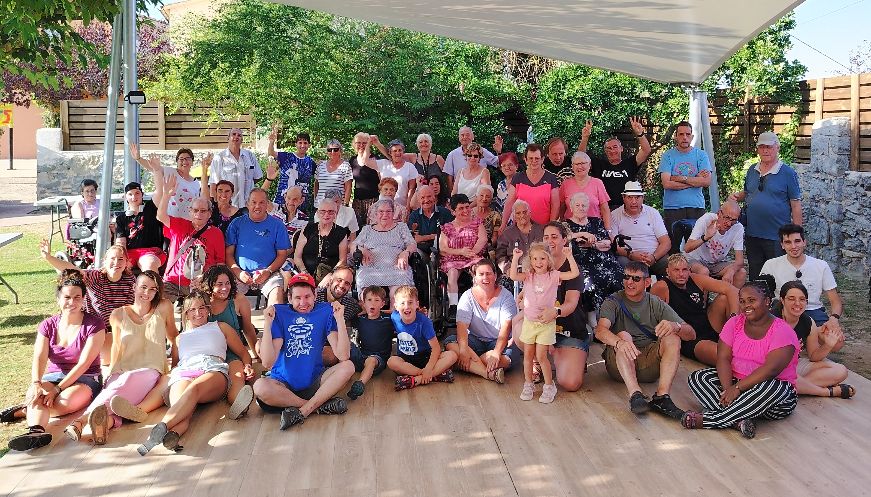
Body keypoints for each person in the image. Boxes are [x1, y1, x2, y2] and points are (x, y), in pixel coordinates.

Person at [62, 270, 176, 446]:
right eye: (143, 287)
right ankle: (106, 424)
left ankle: (81, 421)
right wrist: (111, 373)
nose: (147, 293)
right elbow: (116, 346)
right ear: (134, 287)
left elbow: (174, 338)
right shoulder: (117, 314)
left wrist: (175, 367)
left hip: (150, 370)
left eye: (152, 289)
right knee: (117, 388)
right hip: (122, 369)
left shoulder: (164, 307)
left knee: (125, 382)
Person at [137, 290, 253, 455]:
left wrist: (247, 365)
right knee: (182, 406)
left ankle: (160, 428)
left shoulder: (220, 327)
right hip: (185, 371)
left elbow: (243, 353)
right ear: (186, 313)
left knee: (193, 390)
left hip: (212, 369)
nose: (198, 313)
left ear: (208, 309)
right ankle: (173, 435)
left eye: (202, 308)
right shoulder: (179, 338)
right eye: (192, 310)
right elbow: (176, 365)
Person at [682, 281, 800, 439]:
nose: (746, 306)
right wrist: (727, 390)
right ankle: (739, 420)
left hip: (773, 397)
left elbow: (771, 370)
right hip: (737, 383)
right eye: (742, 301)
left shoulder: (782, 331)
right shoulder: (734, 323)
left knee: (774, 386)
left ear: (767, 301)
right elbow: (723, 358)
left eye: (752, 300)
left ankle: (711, 420)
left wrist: (737, 389)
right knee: (698, 377)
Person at [4, 271, 105, 451]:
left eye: (77, 297)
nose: (72, 302)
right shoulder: (47, 325)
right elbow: (39, 356)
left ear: (83, 299)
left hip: (86, 377)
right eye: (67, 297)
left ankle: (24, 409)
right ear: (58, 299)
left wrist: (58, 389)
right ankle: (36, 432)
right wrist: (36, 383)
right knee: (36, 394)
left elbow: (84, 364)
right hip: (54, 375)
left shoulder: (95, 325)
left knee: (61, 403)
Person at [254, 273, 354, 430]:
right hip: (283, 386)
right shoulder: (280, 314)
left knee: (348, 366)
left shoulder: (325, 312)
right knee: (259, 386)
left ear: (315, 295)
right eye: (297, 298)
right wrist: (267, 325)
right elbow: (267, 362)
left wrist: (340, 320)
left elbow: (343, 355)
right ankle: (318, 406)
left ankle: (303, 411)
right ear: (289, 298)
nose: (303, 303)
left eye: (307, 297)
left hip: (315, 381)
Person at [595, 261, 693, 418]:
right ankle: (635, 394)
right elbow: (600, 331)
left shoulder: (655, 302)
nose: (629, 282)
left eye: (635, 279)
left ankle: (662, 397)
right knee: (623, 335)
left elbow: (691, 334)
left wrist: (676, 326)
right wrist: (620, 342)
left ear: (647, 282)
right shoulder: (613, 301)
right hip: (620, 363)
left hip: (648, 362)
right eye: (626, 277)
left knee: (673, 338)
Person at [39, 240, 135, 366]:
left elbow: (131, 308)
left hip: (118, 328)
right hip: (95, 328)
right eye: (112, 258)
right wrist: (49, 257)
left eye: (121, 259)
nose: (116, 263)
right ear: (105, 261)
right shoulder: (95, 276)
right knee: (107, 360)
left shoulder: (130, 279)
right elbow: (71, 269)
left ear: (126, 263)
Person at [511, 243, 580, 403]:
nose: (538, 262)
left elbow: (574, 273)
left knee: (542, 357)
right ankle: (528, 383)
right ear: (530, 260)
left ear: (548, 260)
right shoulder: (528, 276)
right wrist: (515, 258)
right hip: (530, 322)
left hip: (545, 324)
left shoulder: (554, 276)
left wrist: (569, 256)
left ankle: (549, 386)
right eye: (535, 258)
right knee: (528, 356)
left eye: (542, 258)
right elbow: (514, 276)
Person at [728, 131, 802, 280]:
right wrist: (737, 196)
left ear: (777, 148)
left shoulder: (788, 173)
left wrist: (797, 235)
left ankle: (778, 302)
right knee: (756, 275)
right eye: (762, 147)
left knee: (778, 275)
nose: (765, 150)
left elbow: (796, 205)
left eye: (769, 147)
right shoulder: (752, 170)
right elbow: (750, 192)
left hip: (776, 235)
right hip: (752, 233)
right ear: (757, 149)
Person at [650, 254, 739, 366]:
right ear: (668, 271)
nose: (681, 274)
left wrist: (734, 320)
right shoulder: (661, 287)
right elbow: (652, 317)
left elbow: (732, 290)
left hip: (708, 324)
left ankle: (738, 335)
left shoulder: (696, 279)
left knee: (724, 298)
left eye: (684, 270)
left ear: (689, 270)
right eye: (676, 270)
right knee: (726, 357)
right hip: (689, 337)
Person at [774, 281, 854, 399]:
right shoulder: (771, 320)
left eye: (802, 299)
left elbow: (814, 356)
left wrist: (828, 345)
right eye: (791, 299)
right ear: (782, 300)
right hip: (772, 368)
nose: (797, 303)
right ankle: (824, 391)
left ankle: (793, 389)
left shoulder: (808, 322)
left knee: (841, 370)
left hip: (794, 366)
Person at [444, 259, 516, 383]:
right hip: (475, 340)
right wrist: (463, 350)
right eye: (481, 274)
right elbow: (461, 326)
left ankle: (466, 365)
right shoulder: (467, 296)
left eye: (488, 273)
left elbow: (506, 329)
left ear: (495, 275)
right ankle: (486, 373)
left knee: (504, 360)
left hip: (499, 342)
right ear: (475, 277)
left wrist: (496, 353)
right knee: (450, 343)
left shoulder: (506, 296)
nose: (485, 278)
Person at [156, 173, 225, 302]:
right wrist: (166, 195)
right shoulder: (179, 224)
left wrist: (206, 278)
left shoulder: (216, 233)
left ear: (210, 214)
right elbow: (160, 216)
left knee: (200, 310)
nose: (199, 214)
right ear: (190, 211)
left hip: (203, 282)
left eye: (203, 211)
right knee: (158, 304)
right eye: (195, 210)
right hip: (173, 282)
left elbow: (220, 263)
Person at [760, 224, 843, 330]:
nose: (793, 246)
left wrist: (834, 319)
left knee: (835, 339)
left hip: (813, 311)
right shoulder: (770, 265)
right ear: (782, 245)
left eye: (797, 241)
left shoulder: (821, 265)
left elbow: (835, 300)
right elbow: (761, 296)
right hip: (782, 312)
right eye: (788, 242)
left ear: (804, 242)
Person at [203, 265, 260, 415]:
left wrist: (255, 357)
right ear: (209, 285)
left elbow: (248, 329)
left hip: (233, 351)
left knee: (238, 375)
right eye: (219, 284)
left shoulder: (239, 300)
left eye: (227, 283)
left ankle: (239, 404)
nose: (224, 288)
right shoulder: (202, 302)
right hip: (209, 353)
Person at [541, 222, 589, 392]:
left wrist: (555, 312)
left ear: (564, 241)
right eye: (546, 237)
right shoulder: (539, 264)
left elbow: (570, 304)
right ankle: (537, 361)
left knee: (570, 383)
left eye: (554, 237)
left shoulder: (572, 269)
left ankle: (565, 357)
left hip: (570, 331)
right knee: (518, 323)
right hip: (543, 331)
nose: (550, 241)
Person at [226, 188, 291, 308]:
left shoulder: (278, 225)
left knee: (276, 295)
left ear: (267, 204)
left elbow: (282, 254)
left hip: (269, 273)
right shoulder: (236, 224)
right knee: (229, 299)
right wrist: (238, 272)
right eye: (254, 202)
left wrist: (268, 271)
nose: (257, 206)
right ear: (247, 204)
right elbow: (228, 254)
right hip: (239, 274)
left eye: (262, 202)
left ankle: (271, 326)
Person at [564, 192, 623, 315]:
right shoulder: (566, 225)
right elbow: (563, 238)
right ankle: (593, 316)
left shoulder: (596, 221)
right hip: (580, 262)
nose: (581, 208)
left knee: (617, 275)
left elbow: (607, 243)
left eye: (584, 205)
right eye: (577, 205)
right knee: (590, 281)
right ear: (571, 207)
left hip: (604, 260)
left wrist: (593, 245)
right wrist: (581, 234)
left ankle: (615, 312)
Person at [389, 286, 458, 390]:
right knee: (391, 362)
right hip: (406, 360)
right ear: (396, 307)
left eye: (410, 302)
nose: (407, 306)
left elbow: (436, 348)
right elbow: (387, 312)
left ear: (417, 304)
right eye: (402, 303)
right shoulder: (394, 316)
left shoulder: (425, 322)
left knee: (452, 355)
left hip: (426, 357)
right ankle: (433, 375)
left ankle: (417, 380)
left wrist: (429, 368)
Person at [658, 121, 712, 252]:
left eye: (688, 134)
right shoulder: (668, 156)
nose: (684, 137)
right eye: (681, 134)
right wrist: (695, 179)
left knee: (697, 250)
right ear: (676, 136)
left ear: (692, 136)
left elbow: (706, 182)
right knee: (673, 250)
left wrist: (680, 178)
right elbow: (666, 183)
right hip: (672, 208)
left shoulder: (701, 155)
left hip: (696, 208)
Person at [580, 117, 652, 210]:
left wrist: (640, 134)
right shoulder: (599, 164)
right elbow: (581, 157)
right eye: (609, 148)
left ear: (621, 149)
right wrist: (585, 137)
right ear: (605, 151)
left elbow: (646, 150)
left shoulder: (630, 163)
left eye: (615, 147)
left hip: (626, 209)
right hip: (604, 209)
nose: (612, 150)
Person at [354, 199, 416, 298]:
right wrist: (362, 249)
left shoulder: (401, 227)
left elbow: (412, 244)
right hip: (372, 268)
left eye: (388, 211)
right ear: (376, 214)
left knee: (400, 282)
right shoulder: (367, 229)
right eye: (381, 211)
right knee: (364, 278)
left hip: (396, 267)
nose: (385, 214)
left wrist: (406, 252)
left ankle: (395, 311)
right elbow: (353, 245)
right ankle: (368, 310)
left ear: (393, 213)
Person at [610, 181, 671, 276]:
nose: (634, 201)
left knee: (670, 265)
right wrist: (631, 254)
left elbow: (666, 242)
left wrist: (653, 257)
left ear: (643, 198)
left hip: (654, 255)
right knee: (622, 264)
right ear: (623, 198)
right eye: (630, 197)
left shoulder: (653, 212)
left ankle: (664, 290)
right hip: (628, 257)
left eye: (637, 197)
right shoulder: (614, 215)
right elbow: (614, 245)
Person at [683, 200, 747, 287]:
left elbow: (740, 261)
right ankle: (702, 300)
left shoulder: (738, 228)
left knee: (741, 272)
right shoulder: (706, 219)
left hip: (716, 263)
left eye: (734, 220)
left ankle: (727, 299)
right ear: (719, 213)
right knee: (704, 271)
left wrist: (731, 271)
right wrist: (705, 237)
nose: (729, 223)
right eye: (727, 217)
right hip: (695, 259)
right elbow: (687, 248)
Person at [439, 194, 487, 310]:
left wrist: (471, 253)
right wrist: (461, 252)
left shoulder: (477, 223)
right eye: (461, 208)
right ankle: (453, 306)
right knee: (452, 274)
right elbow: (443, 248)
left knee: (479, 273)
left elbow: (483, 239)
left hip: (473, 257)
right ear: (453, 212)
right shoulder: (447, 227)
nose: (465, 211)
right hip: (453, 259)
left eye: (467, 207)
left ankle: (478, 303)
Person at [346, 286, 395, 400]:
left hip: (378, 359)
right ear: (363, 303)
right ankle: (341, 377)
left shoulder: (388, 319)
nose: (372, 303)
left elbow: (400, 313)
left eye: (376, 300)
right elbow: (347, 320)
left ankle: (360, 384)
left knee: (371, 360)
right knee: (346, 345)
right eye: (369, 300)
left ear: (382, 304)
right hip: (361, 355)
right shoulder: (360, 319)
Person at [500, 144, 560, 228]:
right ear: (525, 160)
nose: (534, 161)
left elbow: (555, 205)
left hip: (543, 229)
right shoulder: (517, 178)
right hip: (521, 228)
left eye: (537, 158)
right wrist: (503, 224)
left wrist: (550, 227)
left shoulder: (551, 178)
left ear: (542, 159)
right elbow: (509, 202)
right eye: (531, 158)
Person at [293, 196, 350, 283]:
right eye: (323, 211)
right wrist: (304, 272)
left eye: (331, 212)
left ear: (336, 213)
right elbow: (297, 256)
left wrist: (330, 276)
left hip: (329, 275)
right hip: (304, 272)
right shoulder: (308, 229)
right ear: (318, 213)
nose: (326, 215)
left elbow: (342, 261)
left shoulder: (341, 232)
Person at [115, 180, 167, 272]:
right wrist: (120, 258)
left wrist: (156, 170)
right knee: (118, 268)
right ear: (125, 197)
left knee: (148, 266)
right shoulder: (121, 218)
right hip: (130, 253)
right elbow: (121, 242)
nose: (134, 197)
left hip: (151, 252)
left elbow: (159, 191)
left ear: (142, 194)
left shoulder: (151, 209)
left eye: (137, 193)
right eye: (130, 194)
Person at [264, 129, 316, 214]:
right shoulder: (286, 157)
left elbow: (317, 179)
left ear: (309, 145)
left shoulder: (310, 162)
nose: (302, 145)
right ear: (296, 144)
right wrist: (271, 142)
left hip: (300, 204)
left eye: (305, 143)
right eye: (300, 143)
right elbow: (271, 153)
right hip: (282, 201)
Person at [559, 151, 612, 233]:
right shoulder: (565, 184)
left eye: (583, 163)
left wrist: (608, 230)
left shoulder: (597, 183)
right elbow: (561, 208)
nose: (580, 166)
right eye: (577, 164)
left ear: (589, 165)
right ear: (572, 167)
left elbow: (605, 210)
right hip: (571, 229)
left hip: (594, 228)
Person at [208, 128, 262, 208]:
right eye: (233, 134)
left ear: (242, 140)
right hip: (229, 206)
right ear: (228, 138)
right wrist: (216, 206)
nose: (236, 136)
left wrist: (244, 182)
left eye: (239, 135)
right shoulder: (219, 158)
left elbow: (258, 177)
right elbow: (213, 185)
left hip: (248, 205)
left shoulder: (250, 156)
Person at [443, 126, 502, 192]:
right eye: (462, 135)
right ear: (459, 138)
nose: (465, 137)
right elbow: (449, 178)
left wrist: (498, 152)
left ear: (473, 137)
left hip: (480, 196)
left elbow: (499, 163)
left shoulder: (482, 151)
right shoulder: (452, 155)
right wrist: (452, 198)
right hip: (459, 196)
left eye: (467, 134)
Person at [365, 138, 419, 208]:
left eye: (400, 150)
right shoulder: (383, 164)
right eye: (394, 151)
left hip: (401, 207)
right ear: (390, 153)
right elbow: (366, 162)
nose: (397, 153)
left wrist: (408, 207)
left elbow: (411, 189)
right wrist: (368, 143)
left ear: (403, 151)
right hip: (383, 207)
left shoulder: (410, 167)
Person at [494, 200, 543, 275]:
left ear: (530, 213)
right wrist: (507, 268)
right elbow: (500, 255)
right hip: (515, 273)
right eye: (518, 213)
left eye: (524, 212)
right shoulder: (507, 233)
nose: (522, 215)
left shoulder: (541, 230)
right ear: (514, 216)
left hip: (539, 272)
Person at [407, 185, 454, 255]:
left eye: (429, 196)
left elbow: (451, 235)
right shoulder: (414, 216)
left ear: (434, 197)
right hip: (421, 252)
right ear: (419, 200)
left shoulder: (445, 213)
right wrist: (434, 236)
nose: (426, 200)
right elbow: (414, 239)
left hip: (443, 250)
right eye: (422, 197)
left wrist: (423, 237)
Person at [349, 132, 381, 230]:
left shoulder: (375, 159)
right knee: (356, 228)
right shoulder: (352, 160)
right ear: (354, 144)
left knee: (372, 228)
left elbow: (381, 179)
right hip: (357, 202)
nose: (361, 145)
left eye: (364, 143)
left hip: (373, 201)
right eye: (359, 142)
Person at [313, 139, 353, 207]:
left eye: (335, 149)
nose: (332, 152)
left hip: (337, 206)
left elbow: (348, 187)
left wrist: (345, 204)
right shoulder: (320, 166)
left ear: (340, 150)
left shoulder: (346, 166)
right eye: (329, 150)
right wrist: (315, 200)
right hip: (320, 206)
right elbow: (316, 184)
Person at [472, 184, 501, 254]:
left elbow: (495, 238)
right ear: (476, 197)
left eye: (487, 196)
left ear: (491, 200)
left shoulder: (495, 215)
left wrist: (483, 246)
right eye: (481, 195)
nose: (484, 199)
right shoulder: (468, 213)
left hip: (487, 248)